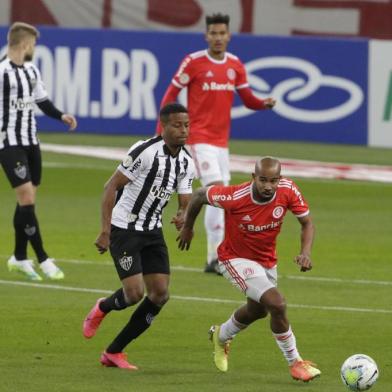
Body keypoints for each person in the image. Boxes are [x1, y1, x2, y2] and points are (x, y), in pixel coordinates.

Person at [177, 157, 321, 382]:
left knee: (258, 311)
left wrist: (306, 253)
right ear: (253, 177)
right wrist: (188, 227)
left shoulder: (288, 190)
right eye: (263, 180)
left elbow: (307, 223)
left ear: (279, 180)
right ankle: (296, 363)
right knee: (277, 303)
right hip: (234, 259)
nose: (268, 186)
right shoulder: (235, 196)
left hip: (266, 261)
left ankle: (220, 335)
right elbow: (198, 195)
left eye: (273, 181)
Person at [159, 13, 276, 274]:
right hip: (199, 139)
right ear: (206, 36)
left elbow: (247, 98)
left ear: (229, 36)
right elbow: (171, 93)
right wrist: (162, 130)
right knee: (216, 190)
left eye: (222, 33)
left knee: (225, 197)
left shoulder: (235, 65)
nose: (218, 38)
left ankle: (217, 251)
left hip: (222, 144)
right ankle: (214, 258)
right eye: (213, 33)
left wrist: (262, 103)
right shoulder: (194, 62)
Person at [83, 103, 194, 370]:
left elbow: (185, 197)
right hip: (125, 229)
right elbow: (111, 187)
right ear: (164, 126)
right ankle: (103, 307)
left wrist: (182, 213)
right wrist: (105, 230)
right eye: (177, 125)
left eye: (187, 125)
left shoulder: (186, 161)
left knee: (160, 295)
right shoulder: (144, 151)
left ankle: (114, 352)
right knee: (133, 294)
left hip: (152, 231)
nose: (183, 130)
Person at [0, 22, 77, 281]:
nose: (34, 48)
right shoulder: (1, 72)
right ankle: (43, 258)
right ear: (24, 43)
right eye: (33, 44)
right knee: (27, 199)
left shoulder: (31, 70)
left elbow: (41, 101)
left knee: (26, 203)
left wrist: (61, 115)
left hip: (31, 141)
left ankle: (19, 257)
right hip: (8, 142)